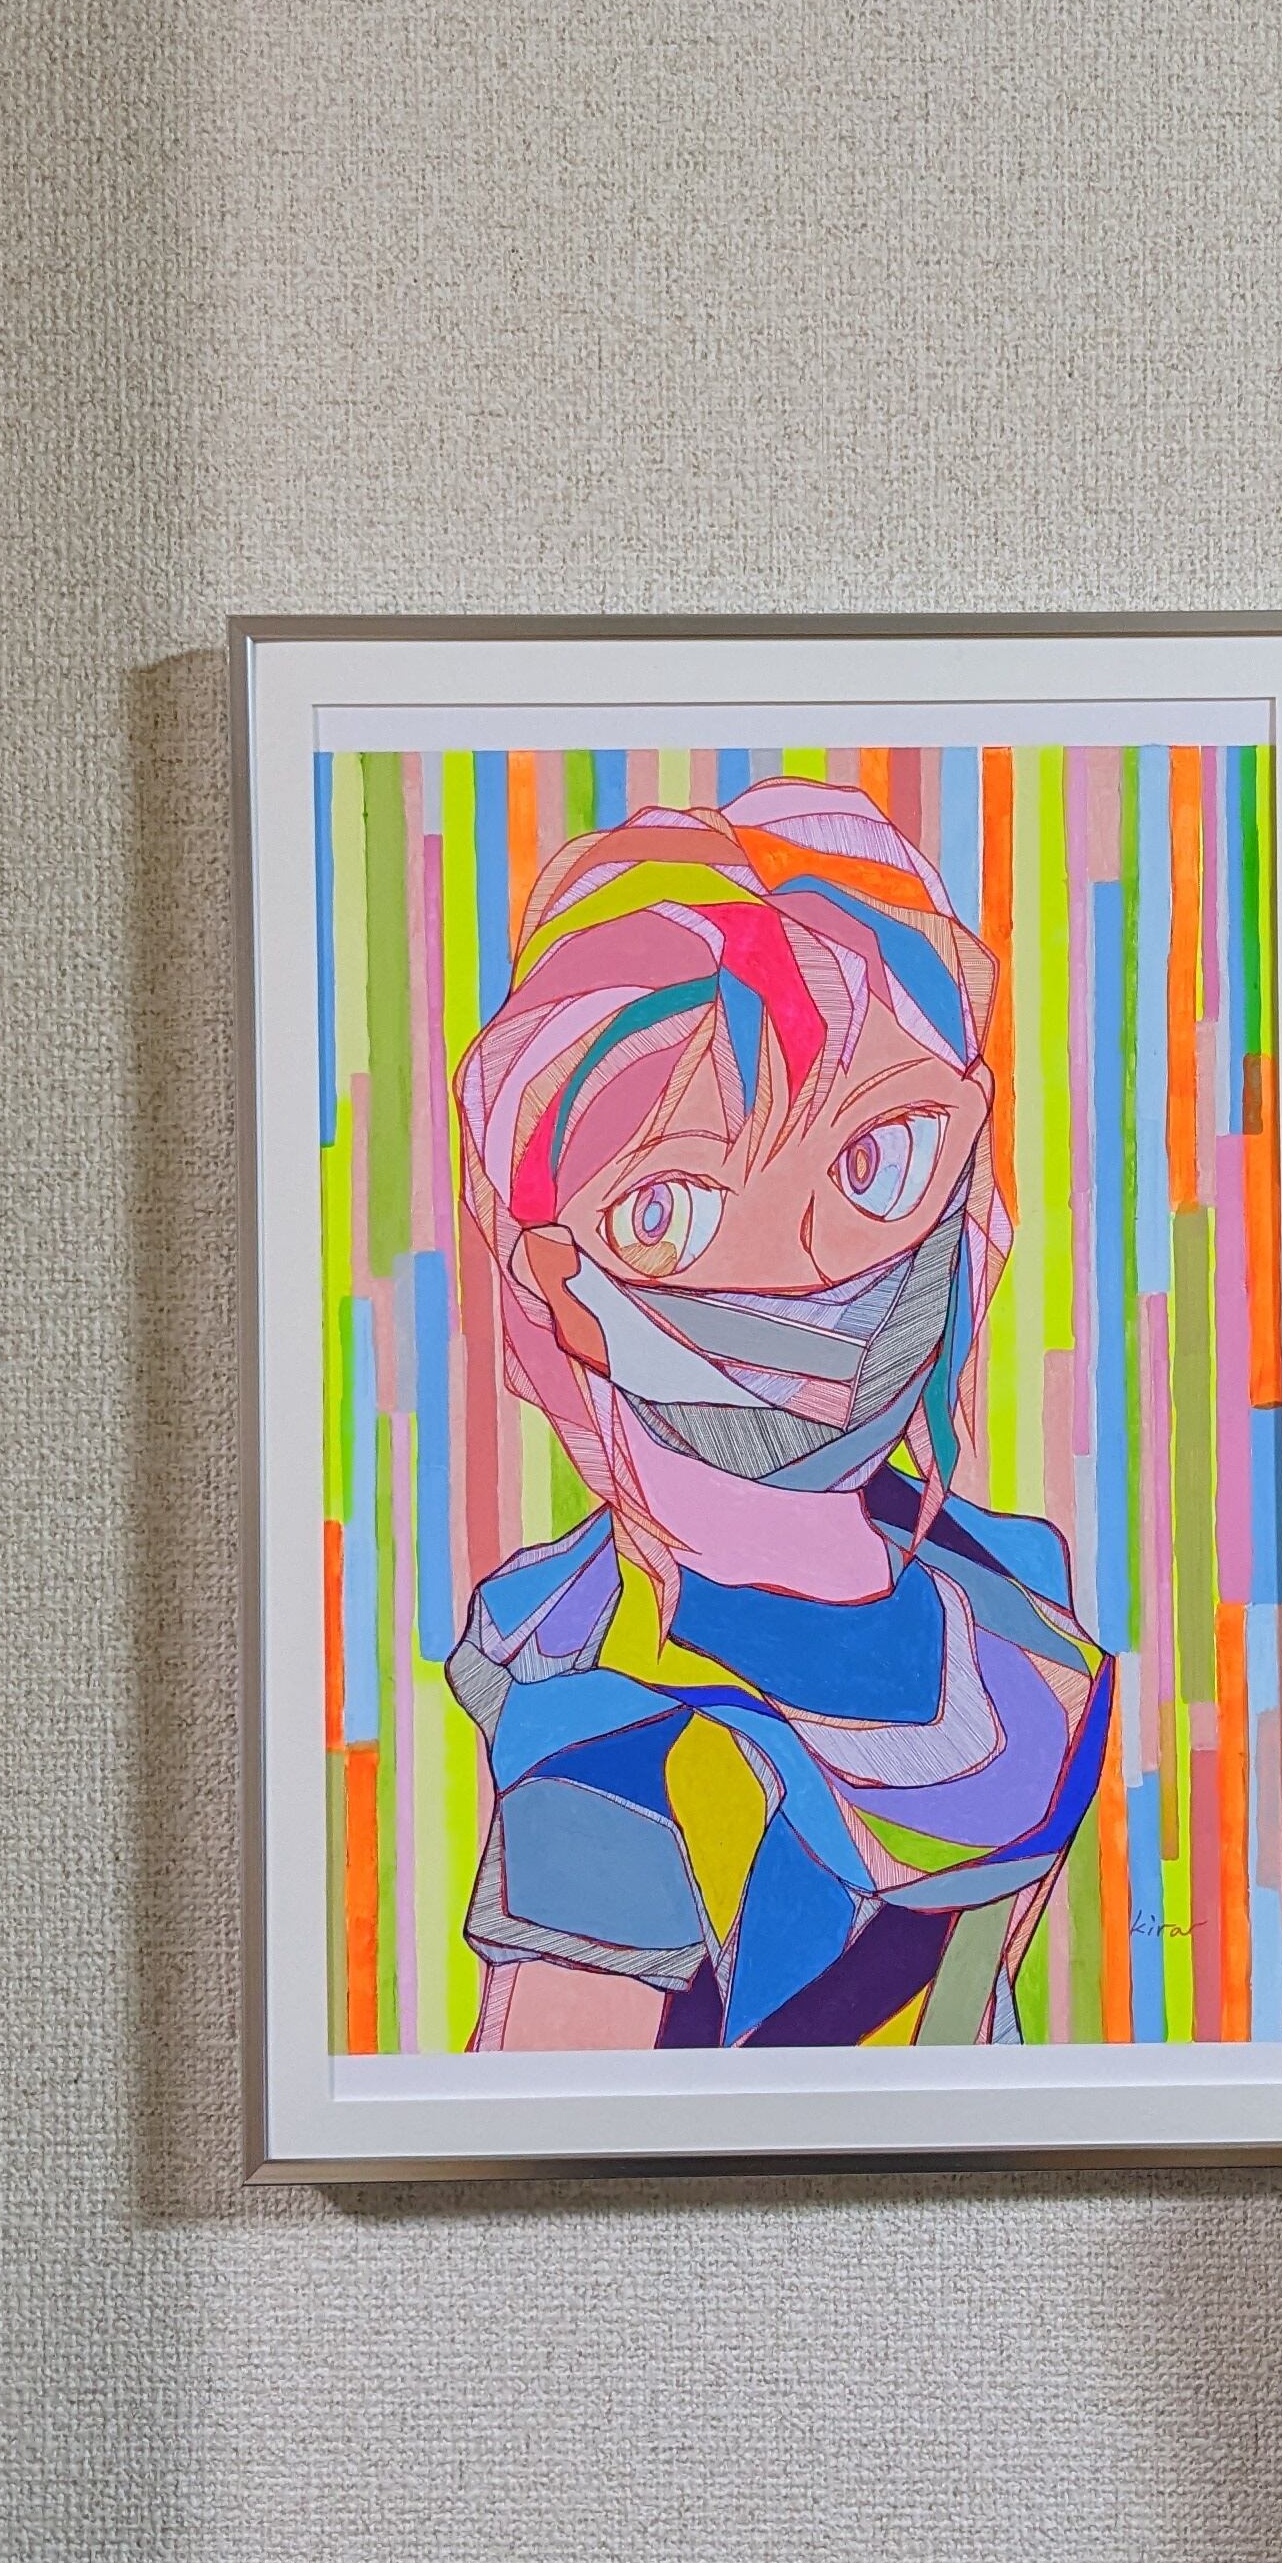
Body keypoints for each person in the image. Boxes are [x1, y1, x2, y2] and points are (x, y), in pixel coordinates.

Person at [447, 782, 1105, 2047]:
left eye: (877, 1162)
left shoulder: (1008, 1604)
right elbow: (548, 2132)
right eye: (669, 1210)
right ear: (561, 1282)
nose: (806, 1269)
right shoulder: (608, 1763)